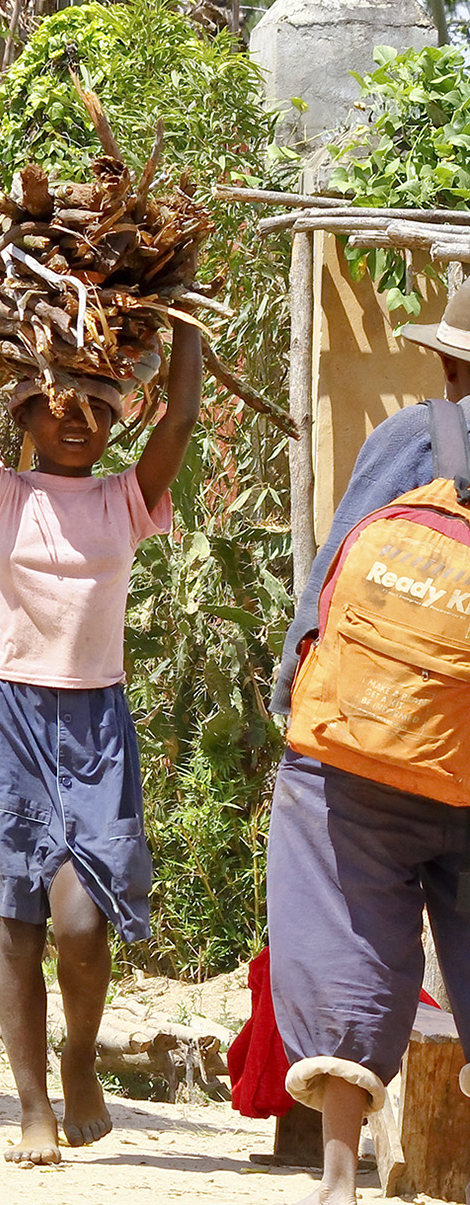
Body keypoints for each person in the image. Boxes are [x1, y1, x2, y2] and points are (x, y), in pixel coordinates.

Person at [0, 221, 200, 1165]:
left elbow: (177, 419)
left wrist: (182, 305)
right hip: (8, 713)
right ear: (26, 420)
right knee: (18, 919)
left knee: (85, 924)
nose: (74, 417)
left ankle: (81, 1057)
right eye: (53, 403)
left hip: (95, 720)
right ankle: (32, 1104)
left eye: (92, 402)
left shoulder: (128, 499)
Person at [265, 285, 470, 1205]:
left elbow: (335, 569)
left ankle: (340, 1177)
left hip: (362, 748)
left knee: (345, 929)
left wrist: (293, 700)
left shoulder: (413, 437)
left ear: (448, 361)